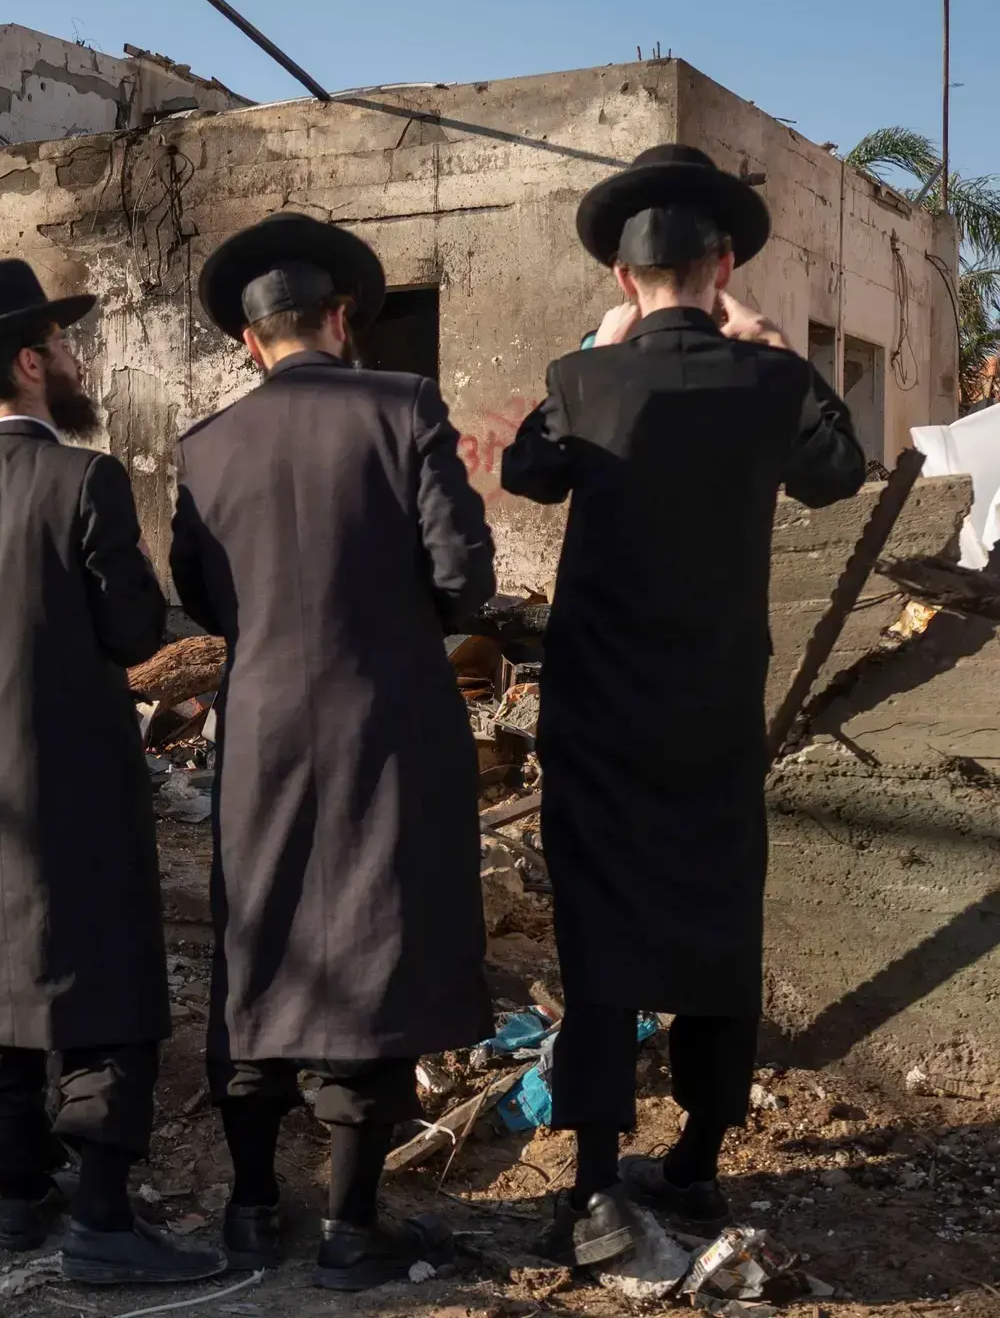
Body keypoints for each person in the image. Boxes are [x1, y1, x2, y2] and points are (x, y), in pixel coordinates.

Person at [501, 145, 866, 1265]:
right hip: (711, 700)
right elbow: (836, 473)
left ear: (619, 278)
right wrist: (767, 347)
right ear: (722, 265)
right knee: (718, 908)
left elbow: (525, 473)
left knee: (600, 920)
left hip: (598, 702)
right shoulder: (770, 382)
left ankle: (597, 1179)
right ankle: (700, 1156)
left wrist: (592, 354)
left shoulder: (583, 382)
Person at [170, 214, 497, 1290]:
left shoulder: (204, 445)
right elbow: (463, 578)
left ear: (246, 341)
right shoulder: (399, 404)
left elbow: (201, 596)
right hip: (387, 721)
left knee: (255, 943)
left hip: (257, 723)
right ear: (343, 316)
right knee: (373, 942)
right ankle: (352, 1228)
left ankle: (252, 1206)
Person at [0, 258, 225, 1287]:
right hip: (75, 770)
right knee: (101, 987)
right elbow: (129, 629)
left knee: (1, 986)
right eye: (67, 348)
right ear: (32, 362)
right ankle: (106, 1221)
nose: (78, 363)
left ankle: (18, 1206)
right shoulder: (87, 480)